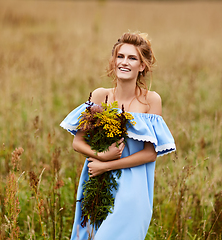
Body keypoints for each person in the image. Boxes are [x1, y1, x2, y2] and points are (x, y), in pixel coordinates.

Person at [60, 32, 176, 240]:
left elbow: (150, 154)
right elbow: (77, 142)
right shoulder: (99, 96)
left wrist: (106, 164)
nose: (124, 62)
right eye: (120, 56)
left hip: (134, 190)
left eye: (132, 58)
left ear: (142, 66)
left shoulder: (151, 101)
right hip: (97, 183)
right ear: (113, 61)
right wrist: (101, 155)